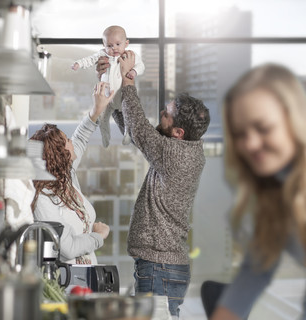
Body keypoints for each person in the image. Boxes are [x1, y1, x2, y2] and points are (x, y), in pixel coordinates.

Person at [210, 63, 306, 320]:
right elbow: (255, 270)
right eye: (240, 133)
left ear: (294, 121)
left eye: (263, 128)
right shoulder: (275, 192)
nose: (250, 144)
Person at [99, 51, 210, 318]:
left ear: (178, 133)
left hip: (159, 267)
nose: (161, 113)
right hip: (164, 266)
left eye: (167, 114)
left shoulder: (174, 155)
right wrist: (112, 88)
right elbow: (138, 134)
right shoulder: (181, 149)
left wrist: (128, 80)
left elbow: (139, 130)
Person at [30, 82, 113, 265]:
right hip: (66, 284)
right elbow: (67, 248)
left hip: (88, 278)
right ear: (60, 155)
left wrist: (96, 110)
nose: (72, 142)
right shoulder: (43, 199)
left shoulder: (66, 177)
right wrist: (98, 236)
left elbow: (81, 137)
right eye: (67, 140)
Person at [72, 25, 145, 147]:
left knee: (128, 116)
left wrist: (134, 71)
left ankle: (127, 133)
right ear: (104, 45)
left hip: (121, 96)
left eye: (118, 44)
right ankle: (105, 135)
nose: (114, 48)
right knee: (103, 119)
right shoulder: (103, 55)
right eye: (109, 46)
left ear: (126, 43)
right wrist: (78, 64)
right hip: (106, 97)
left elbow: (141, 66)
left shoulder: (130, 55)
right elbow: (90, 59)